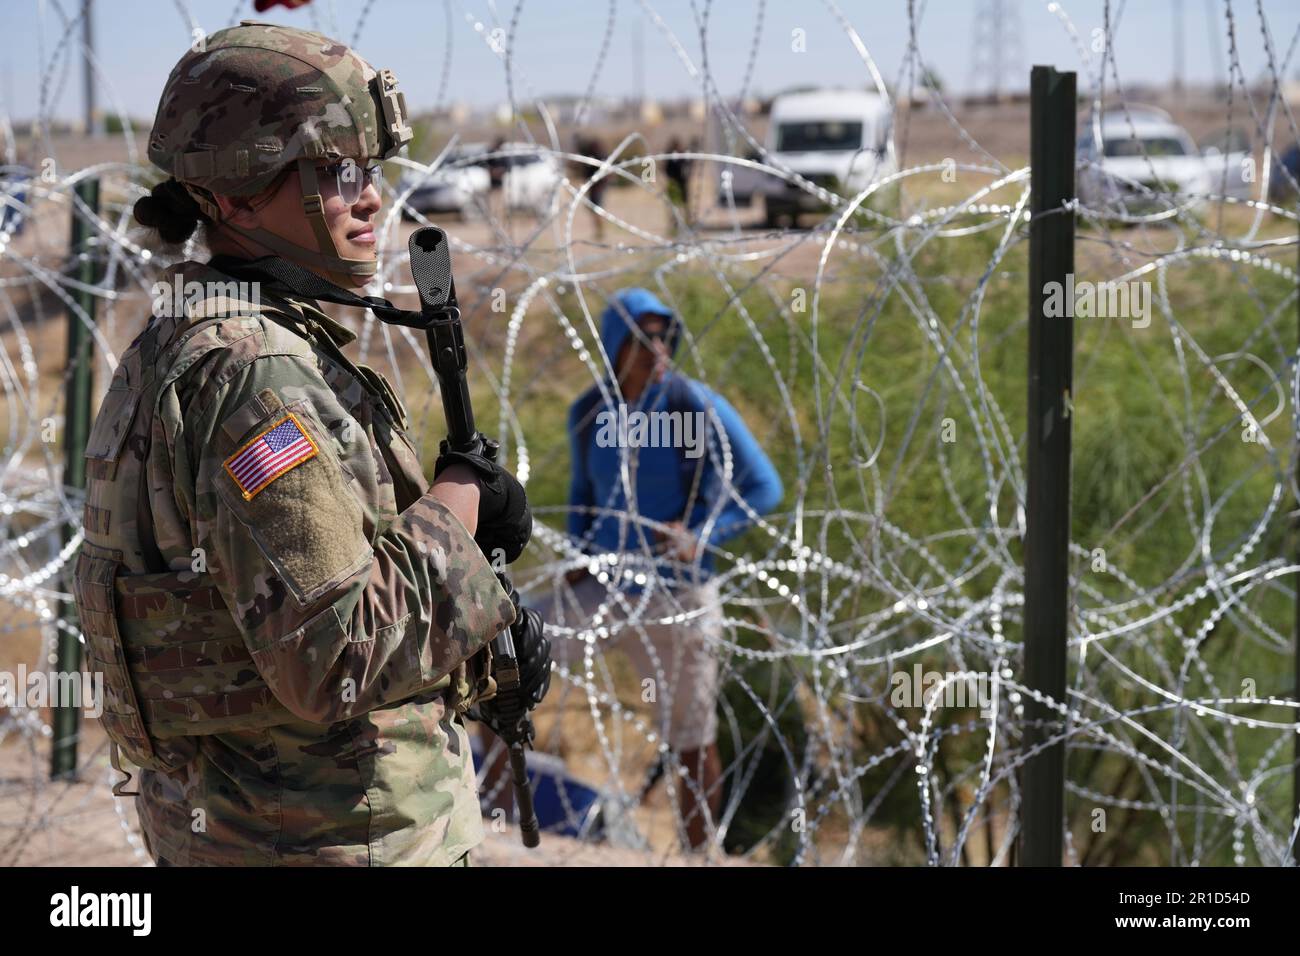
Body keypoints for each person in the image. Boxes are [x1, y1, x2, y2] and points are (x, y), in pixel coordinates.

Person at [72, 21, 549, 867]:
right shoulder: (253, 373)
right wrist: (460, 505)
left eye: (370, 171)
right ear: (236, 192)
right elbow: (335, 654)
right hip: (330, 836)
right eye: (333, 173)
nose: (370, 198)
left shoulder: (183, 341)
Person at [550, 287, 782, 850]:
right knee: (507, 663)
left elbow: (763, 486)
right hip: (604, 590)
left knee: (691, 742)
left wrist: (701, 535)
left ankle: (698, 855)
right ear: (614, 345)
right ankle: (502, 817)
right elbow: (583, 495)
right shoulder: (588, 413)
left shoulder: (693, 405)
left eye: (664, 335)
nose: (658, 348)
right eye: (643, 337)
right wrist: (577, 557)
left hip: (678, 598)